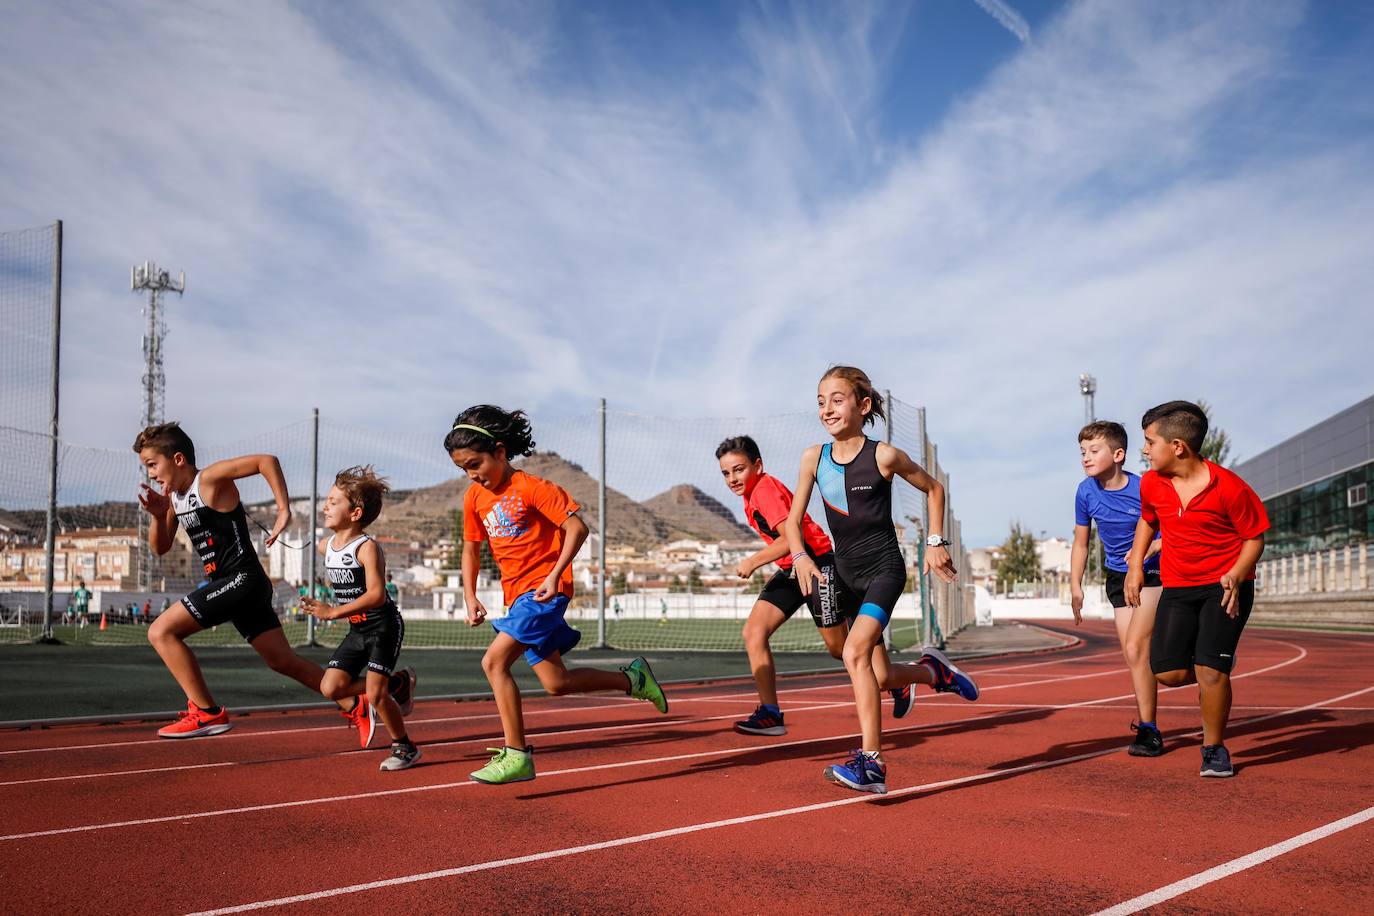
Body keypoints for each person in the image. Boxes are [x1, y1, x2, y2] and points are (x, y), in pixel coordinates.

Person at [448, 405, 668, 785]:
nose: (471, 475)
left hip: (544, 592)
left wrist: (553, 576)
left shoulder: (534, 489)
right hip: (517, 597)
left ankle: (517, 755)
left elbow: (577, 529)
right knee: (556, 683)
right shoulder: (474, 498)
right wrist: (469, 595)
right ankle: (633, 679)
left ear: (500, 452)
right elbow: (470, 547)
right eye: (463, 468)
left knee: (494, 663)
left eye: (475, 464)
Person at [785, 367, 978, 794]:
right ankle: (932, 673)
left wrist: (934, 541)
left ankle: (871, 763)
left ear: (863, 405)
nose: (827, 408)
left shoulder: (884, 456)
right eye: (821, 400)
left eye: (837, 399)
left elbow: (934, 489)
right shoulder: (812, 459)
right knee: (883, 675)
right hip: (846, 576)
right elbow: (792, 521)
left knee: (854, 654)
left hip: (884, 571)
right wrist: (799, 555)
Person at [133, 421, 360, 739]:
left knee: (161, 632)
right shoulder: (174, 499)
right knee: (282, 661)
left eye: (153, 465)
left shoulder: (209, 479)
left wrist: (283, 509)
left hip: (242, 579)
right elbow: (160, 547)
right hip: (238, 586)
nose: (152, 474)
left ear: (178, 459)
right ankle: (357, 702)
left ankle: (206, 712)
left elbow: (266, 461)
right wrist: (159, 515)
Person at [718, 434, 914, 737]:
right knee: (754, 632)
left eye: (739, 469)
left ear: (758, 465)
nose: (732, 478)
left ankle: (895, 680)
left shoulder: (764, 491)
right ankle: (770, 713)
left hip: (819, 565)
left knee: (841, 649)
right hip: (792, 571)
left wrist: (753, 561)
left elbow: (787, 540)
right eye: (726, 473)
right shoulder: (751, 496)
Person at [1125, 401, 1268, 778]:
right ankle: (1216, 666)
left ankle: (1214, 748)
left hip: (1225, 588)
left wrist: (1237, 573)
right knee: (1167, 673)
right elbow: (1147, 521)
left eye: (1148, 441)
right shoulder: (1154, 484)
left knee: (1209, 671)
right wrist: (1136, 566)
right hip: (1179, 585)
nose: (1143, 450)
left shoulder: (1230, 487)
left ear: (1177, 447)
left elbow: (1254, 538)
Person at [301, 466, 421, 770]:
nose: (325, 506)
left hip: (382, 627)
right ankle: (399, 683)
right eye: (326, 500)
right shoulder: (324, 545)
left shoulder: (366, 548)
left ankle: (404, 747)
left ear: (355, 513)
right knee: (331, 688)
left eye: (333, 501)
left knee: (375, 694)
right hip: (357, 629)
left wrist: (333, 612)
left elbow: (377, 595)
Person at [1070, 420, 1165, 756]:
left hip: (1152, 573)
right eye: (1082, 452)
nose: (1086, 457)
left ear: (1119, 454)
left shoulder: (1145, 488)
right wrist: (1075, 585)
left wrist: (1147, 551)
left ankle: (1149, 731)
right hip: (1116, 577)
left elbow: (1169, 530)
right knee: (1132, 653)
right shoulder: (1085, 492)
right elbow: (1081, 543)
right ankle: (1150, 719)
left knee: (1138, 650)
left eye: (1094, 451)